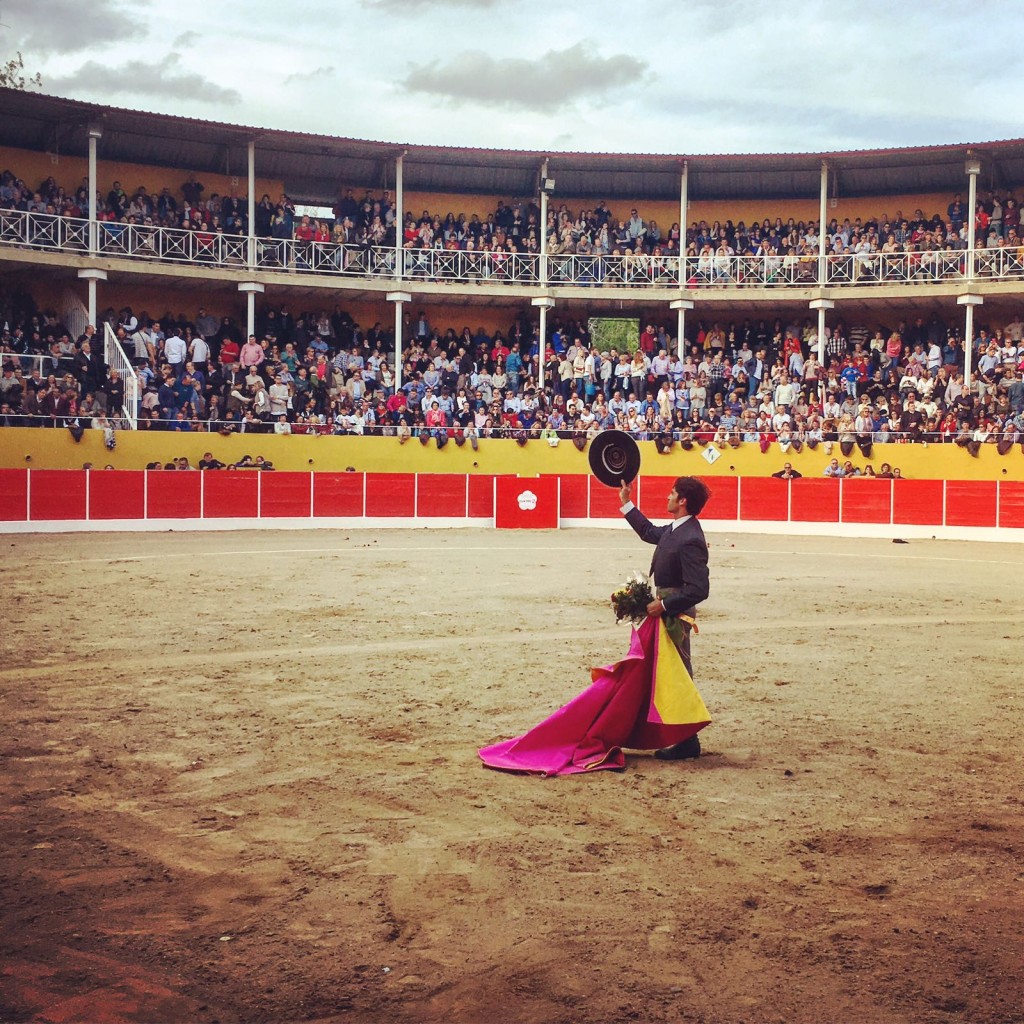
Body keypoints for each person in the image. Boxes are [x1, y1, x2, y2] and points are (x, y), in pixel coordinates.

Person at [618, 475, 711, 760]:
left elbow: (699, 589)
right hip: (664, 607)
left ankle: (687, 740)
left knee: (679, 672)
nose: (667, 497)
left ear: (682, 501)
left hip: (675, 613)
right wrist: (626, 502)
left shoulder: (691, 538)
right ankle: (681, 737)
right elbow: (648, 532)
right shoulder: (676, 529)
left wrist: (666, 605)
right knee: (668, 671)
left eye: (672, 494)